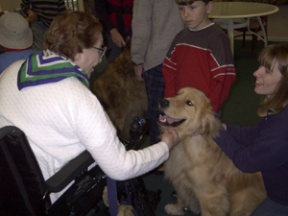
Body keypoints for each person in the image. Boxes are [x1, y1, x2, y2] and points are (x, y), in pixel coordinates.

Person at [0, 11, 179, 203]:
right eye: (100, 50)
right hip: (50, 192)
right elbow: (122, 167)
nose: (101, 59)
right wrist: (165, 145)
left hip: (8, 185)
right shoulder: (79, 98)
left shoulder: (12, 70)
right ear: (80, 50)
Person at [214, 43, 288, 216]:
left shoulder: (281, 129)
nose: (256, 73)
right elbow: (256, 135)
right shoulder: (279, 109)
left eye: (267, 71)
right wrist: (222, 127)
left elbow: (247, 161)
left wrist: (214, 131)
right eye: (260, 65)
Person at [162, 0, 236, 113]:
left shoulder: (218, 38)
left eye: (192, 7)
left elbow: (225, 78)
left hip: (204, 111)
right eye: (181, 8)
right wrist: (172, 100)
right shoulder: (180, 37)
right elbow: (169, 69)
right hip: (181, 107)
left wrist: (208, 110)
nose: (185, 14)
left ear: (208, 7)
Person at [131, 0, 184, 145]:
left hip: (158, 58)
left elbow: (142, 24)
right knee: (181, 113)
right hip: (186, 53)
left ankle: (159, 163)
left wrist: (138, 59)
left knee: (159, 117)